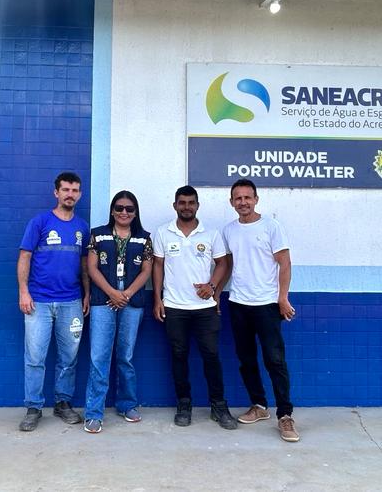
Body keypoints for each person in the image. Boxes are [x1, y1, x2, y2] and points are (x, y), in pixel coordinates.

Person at [221, 178, 300, 443]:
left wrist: (283, 298)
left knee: (275, 361)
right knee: (246, 360)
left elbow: (285, 264)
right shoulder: (229, 230)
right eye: (238, 198)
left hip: (266, 305)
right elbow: (229, 265)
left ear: (256, 199)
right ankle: (259, 406)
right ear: (232, 202)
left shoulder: (271, 227)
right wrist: (214, 290)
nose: (243, 202)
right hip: (238, 304)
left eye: (247, 197)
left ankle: (285, 416)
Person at [153, 185, 237, 429]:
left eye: (191, 202)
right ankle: (184, 404)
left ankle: (219, 406)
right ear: (175, 205)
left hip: (204, 309)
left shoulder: (210, 233)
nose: (186, 206)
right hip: (174, 307)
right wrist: (158, 299)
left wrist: (212, 287)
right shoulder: (163, 233)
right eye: (182, 202)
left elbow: (222, 263)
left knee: (211, 356)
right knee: (179, 357)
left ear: (197, 205)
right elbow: (158, 266)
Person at [17, 171, 91, 432]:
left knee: (69, 357)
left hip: (71, 301)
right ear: (56, 192)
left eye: (75, 190)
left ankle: (63, 403)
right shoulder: (39, 222)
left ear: (79, 194)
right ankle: (34, 407)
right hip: (39, 302)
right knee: (35, 357)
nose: (70, 194)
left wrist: (87, 294)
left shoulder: (82, 227)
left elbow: (84, 265)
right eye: (66, 190)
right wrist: (23, 291)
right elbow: (25, 256)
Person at [82, 190, 154, 434]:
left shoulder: (144, 238)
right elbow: (92, 268)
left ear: (135, 213)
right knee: (98, 358)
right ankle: (93, 413)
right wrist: (112, 293)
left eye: (129, 209)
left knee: (126, 357)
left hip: (131, 303)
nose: (124, 212)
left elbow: (146, 271)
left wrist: (126, 295)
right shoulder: (98, 235)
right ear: (112, 210)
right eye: (120, 207)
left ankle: (127, 404)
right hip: (104, 301)